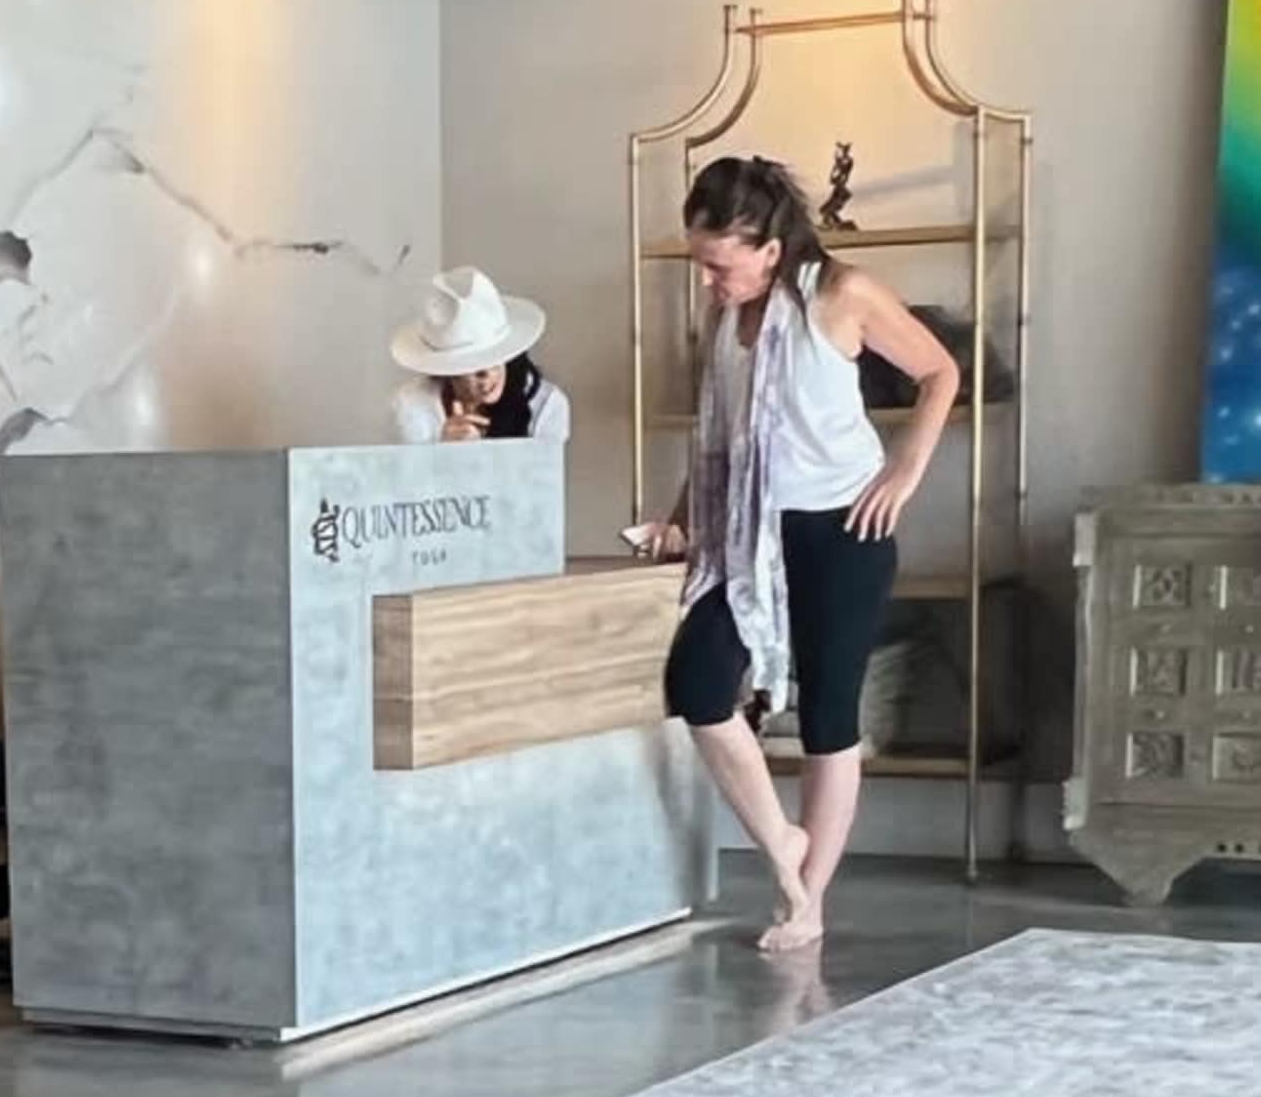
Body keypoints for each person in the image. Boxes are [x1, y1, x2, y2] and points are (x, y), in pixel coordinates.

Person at [628, 151, 957, 953]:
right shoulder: (729, 319)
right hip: (750, 534)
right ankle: (785, 847)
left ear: (770, 247)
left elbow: (940, 371)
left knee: (829, 717)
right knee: (699, 685)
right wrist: (679, 522)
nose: (708, 281)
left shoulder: (843, 294)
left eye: (719, 264)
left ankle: (805, 903)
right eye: (701, 263)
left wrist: (903, 472)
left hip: (844, 530)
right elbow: (725, 442)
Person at [389, 265, 570, 448]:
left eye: (496, 356)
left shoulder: (546, 406)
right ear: (448, 372)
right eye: (473, 365)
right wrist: (442, 453)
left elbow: (543, 475)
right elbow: (403, 475)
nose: (487, 373)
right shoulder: (413, 406)